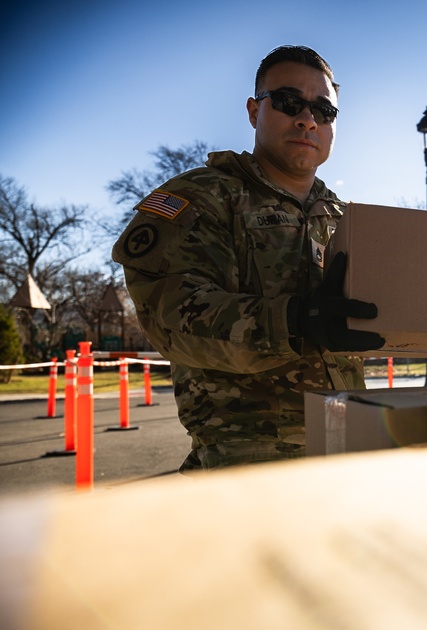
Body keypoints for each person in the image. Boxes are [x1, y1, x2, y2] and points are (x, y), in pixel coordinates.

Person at [112, 45, 384, 472]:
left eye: (324, 111)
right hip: (248, 458)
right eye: (289, 102)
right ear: (254, 111)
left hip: (347, 445)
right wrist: (295, 321)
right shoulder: (202, 196)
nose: (307, 119)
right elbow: (169, 317)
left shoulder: (344, 217)